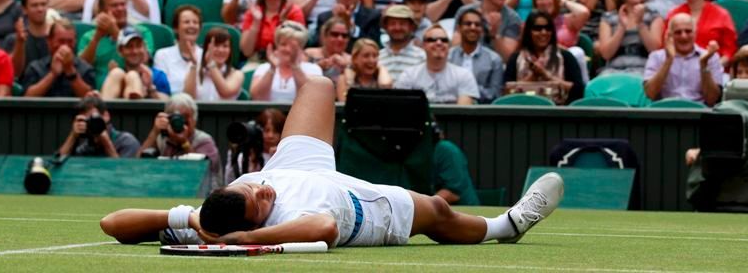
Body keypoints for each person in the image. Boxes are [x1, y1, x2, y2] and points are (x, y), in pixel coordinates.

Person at [100, 77, 563, 247]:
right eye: (258, 201)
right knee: (438, 215)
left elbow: (111, 223)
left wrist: (185, 220)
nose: (259, 190)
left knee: (320, 85)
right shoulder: (290, 223)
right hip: (358, 206)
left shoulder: (219, 209)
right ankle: (510, 225)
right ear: (255, 222)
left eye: (247, 187)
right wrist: (250, 238)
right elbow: (322, 230)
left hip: (297, 166)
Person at [139, 93, 222, 190]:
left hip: (202, 193)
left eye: (185, 118)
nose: (180, 123)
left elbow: (202, 172)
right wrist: (154, 132)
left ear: (194, 120)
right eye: (175, 118)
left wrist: (184, 142)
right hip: (168, 191)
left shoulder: (204, 141)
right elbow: (138, 165)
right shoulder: (161, 139)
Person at [643, 13, 723, 105]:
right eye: (678, 32)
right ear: (669, 35)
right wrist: (668, 61)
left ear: (695, 33)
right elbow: (650, 94)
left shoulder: (711, 57)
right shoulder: (656, 57)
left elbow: (712, 99)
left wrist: (703, 65)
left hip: (698, 113)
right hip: (665, 111)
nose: (683, 36)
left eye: (688, 31)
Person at [394, 24, 478, 104]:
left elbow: (462, 113)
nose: (439, 43)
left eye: (444, 40)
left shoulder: (464, 75)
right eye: (432, 40)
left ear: (449, 46)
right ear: (423, 45)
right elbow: (403, 110)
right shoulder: (409, 75)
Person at [20, 19, 95, 98]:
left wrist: (70, 71)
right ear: (49, 41)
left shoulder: (85, 69)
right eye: (61, 41)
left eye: (70, 41)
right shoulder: (35, 68)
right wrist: (53, 74)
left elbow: (90, 98)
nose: (65, 46)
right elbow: (27, 98)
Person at [250, 22, 322, 103]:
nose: (287, 49)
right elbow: (257, 97)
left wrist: (295, 66)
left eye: (293, 46)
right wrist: (272, 69)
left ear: (301, 47)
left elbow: (309, 98)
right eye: (283, 44)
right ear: (277, 46)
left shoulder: (313, 69)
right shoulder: (263, 68)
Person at [447, 7, 505, 103]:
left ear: (482, 29)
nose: (473, 27)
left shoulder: (494, 60)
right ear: (458, 28)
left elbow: (495, 94)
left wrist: (467, 89)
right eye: (468, 24)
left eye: (477, 25)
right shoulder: (448, 57)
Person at [58, 93, 141, 158]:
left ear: (106, 116)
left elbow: (125, 174)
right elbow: (57, 164)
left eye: (93, 118)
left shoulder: (127, 142)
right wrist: (72, 136)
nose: (90, 123)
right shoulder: (86, 147)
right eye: (86, 120)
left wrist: (106, 143)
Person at [100, 27, 171, 101]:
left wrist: (150, 88)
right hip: (114, 112)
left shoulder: (157, 75)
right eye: (129, 47)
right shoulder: (116, 74)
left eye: (138, 46)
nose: (135, 51)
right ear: (120, 51)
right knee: (117, 73)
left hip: (147, 112)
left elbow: (167, 102)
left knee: (132, 75)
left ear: (144, 48)